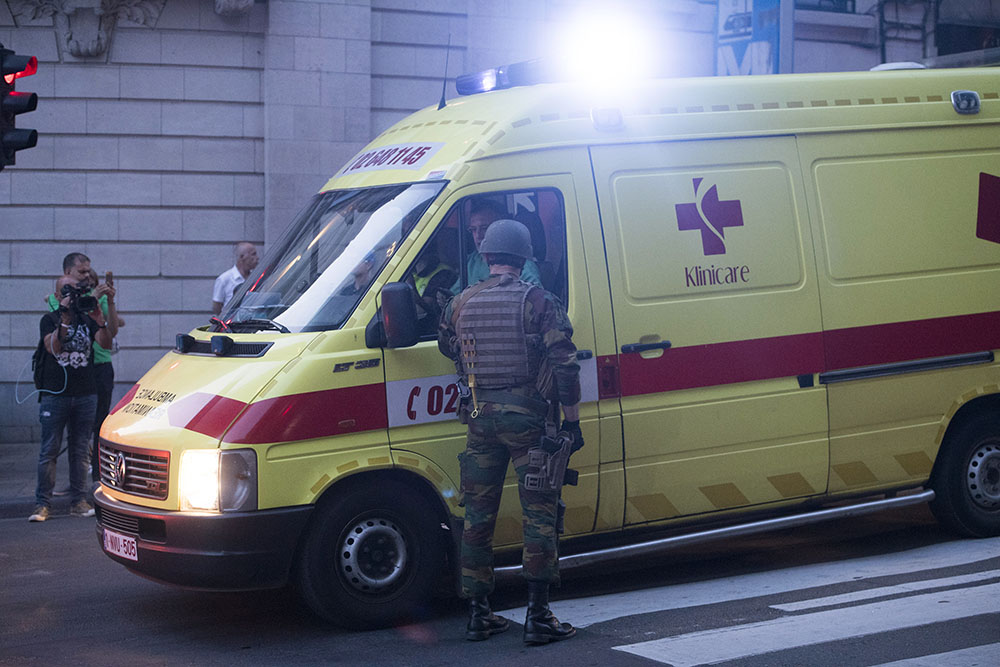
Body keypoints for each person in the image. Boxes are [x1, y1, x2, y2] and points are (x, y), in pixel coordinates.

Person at [438, 219, 583, 645]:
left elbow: (449, 346)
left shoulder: (461, 303)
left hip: (480, 420)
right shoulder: (538, 301)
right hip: (529, 420)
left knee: (477, 518)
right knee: (538, 513)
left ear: (486, 257)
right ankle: (538, 616)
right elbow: (564, 364)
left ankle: (479, 614)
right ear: (524, 258)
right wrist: (572, 422)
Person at [30, 273, 113, 522]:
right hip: (55, 395)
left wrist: (100, 322)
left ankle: (78, 500)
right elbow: (54, 347)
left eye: (74, 290)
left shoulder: (86, 319)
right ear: (57, 296)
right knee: (49, 450)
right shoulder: (49, 319)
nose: (71, 295)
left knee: (80, 451)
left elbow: (106, 344)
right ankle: (42, 504)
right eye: (65, 291)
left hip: (86, 393)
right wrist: (64, 318)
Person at [45, 258, 122, 486]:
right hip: (78, 368)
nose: (86, 276)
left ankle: (99, 478)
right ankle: (76, 483)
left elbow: (112, 332)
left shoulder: (97, 298)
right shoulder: (60, 297)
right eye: (82, 272)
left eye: (89, 272)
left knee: (99, 426)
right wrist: (90, 299)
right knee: (75, 432)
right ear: (69, 272)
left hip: (101, 366)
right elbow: (62, 321)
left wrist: (108, 300)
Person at [452, 200, 542, 293]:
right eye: (473, 229)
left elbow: (535, 299)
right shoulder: (471, 262)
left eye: (484, 228)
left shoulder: (520, 263)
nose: (478, 235)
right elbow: (453, 297)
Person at [212, 241, 259, 315]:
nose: (257, 258)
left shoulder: (256, 278)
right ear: (242, 257)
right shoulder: (224, 279)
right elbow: (217, 306)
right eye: (253, 254)